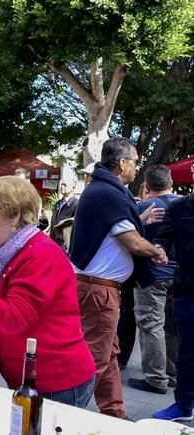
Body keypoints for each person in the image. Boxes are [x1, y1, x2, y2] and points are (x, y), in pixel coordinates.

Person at [0, 176, 95, 408]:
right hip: (34, 379)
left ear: (14, 215)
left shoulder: (38, 254)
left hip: (56, 381)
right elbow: (14, 305)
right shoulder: (14, 250)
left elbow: (14, 318)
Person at [69, 137, 168, 419]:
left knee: (108, 355)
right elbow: (133, 242)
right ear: (122, 163)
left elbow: (118, 224)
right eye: (135, 160)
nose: (137, 166)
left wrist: (139, 217)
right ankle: (62, 413)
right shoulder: (108, 193)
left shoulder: (104, 189)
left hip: (98, 289)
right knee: (96, 361)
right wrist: (156, 251)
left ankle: (115, 414)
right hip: (99, 292)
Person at [128, 165, 180, 395]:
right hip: (181, 276)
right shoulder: (186, 204)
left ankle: (156, 378)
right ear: (171, 183)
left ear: (147, 186)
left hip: (152, 275)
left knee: (151, 325)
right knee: (171, 325)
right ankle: (171, 373)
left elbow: (129, 239)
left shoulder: (143, 207)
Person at [151, 162, 194, 422]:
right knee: (187, 351)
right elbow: (163, 237)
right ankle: (183, 405)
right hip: (188, 292)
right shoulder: (180, 208)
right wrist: (159, 249)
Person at [50, 180, 78, 252]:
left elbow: (77, 225)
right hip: (54, 244)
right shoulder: (57, 204)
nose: (62, 187)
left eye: (65, 185)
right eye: (62, 184)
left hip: (66, 246)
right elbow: (53, 224)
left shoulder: (76, 204)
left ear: (73, 188)